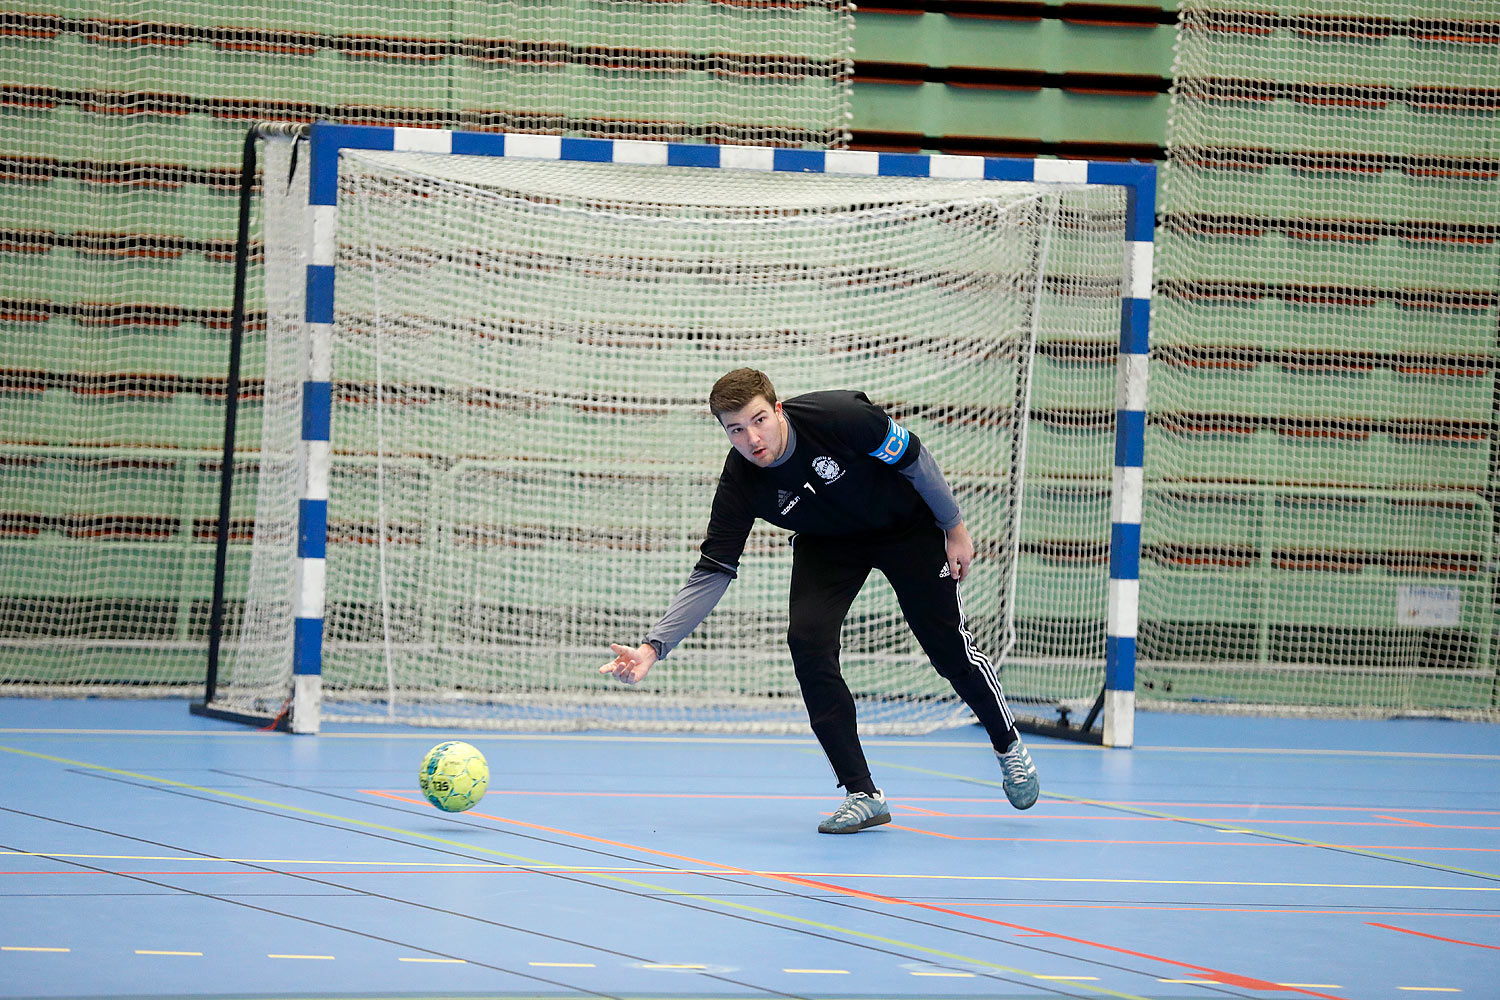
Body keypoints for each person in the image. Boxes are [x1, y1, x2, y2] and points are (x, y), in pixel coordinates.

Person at [600, 368, 1040, 833]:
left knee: (948, 650)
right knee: (807, 642)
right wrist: (653, 647)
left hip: (906, 529)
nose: (751, 438)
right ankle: (862, 793)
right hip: (827, 543)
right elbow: (712, 571)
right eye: (735, 429)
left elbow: (914, 458)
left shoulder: (841, 417)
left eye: (758, 420)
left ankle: (1007, 743)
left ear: (778, 409)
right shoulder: (740, 483)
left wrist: (954, 527)